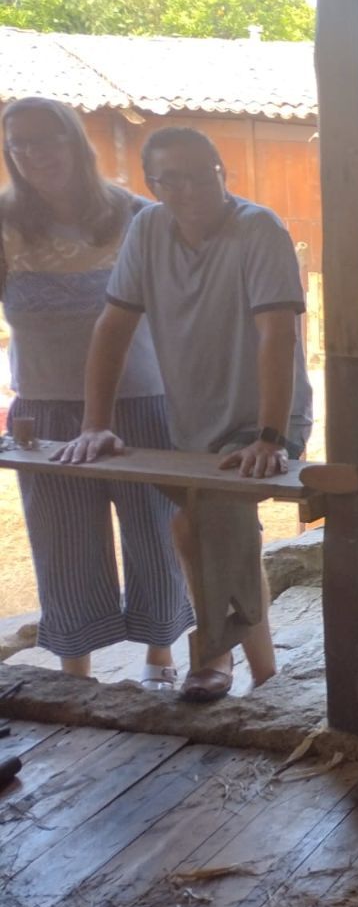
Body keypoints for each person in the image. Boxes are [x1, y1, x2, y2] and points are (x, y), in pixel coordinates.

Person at [55, 126, 313, 703]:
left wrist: (271, 435)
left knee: (205, 523)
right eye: (176, 179)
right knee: (207, 533)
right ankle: (267, 675)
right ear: (155, 185)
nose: (193, 188)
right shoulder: (148, 228)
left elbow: (277, 335)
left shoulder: (258, 228)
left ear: (224, 173)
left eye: (205, 175)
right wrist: (94, 423)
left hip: (265, 418)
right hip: (193, 423)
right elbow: (114, 326)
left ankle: (213, 655)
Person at [0, 98, 191, 688]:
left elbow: (179, 308)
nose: (34, 154)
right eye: (20, 144)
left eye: (46, 140)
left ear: (75, 143)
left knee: (153, 530)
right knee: (64, 542)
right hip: (46, 409)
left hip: (142, 400)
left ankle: (160, 659)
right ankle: (74, 677)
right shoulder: (3, 222)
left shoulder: (134, 214)